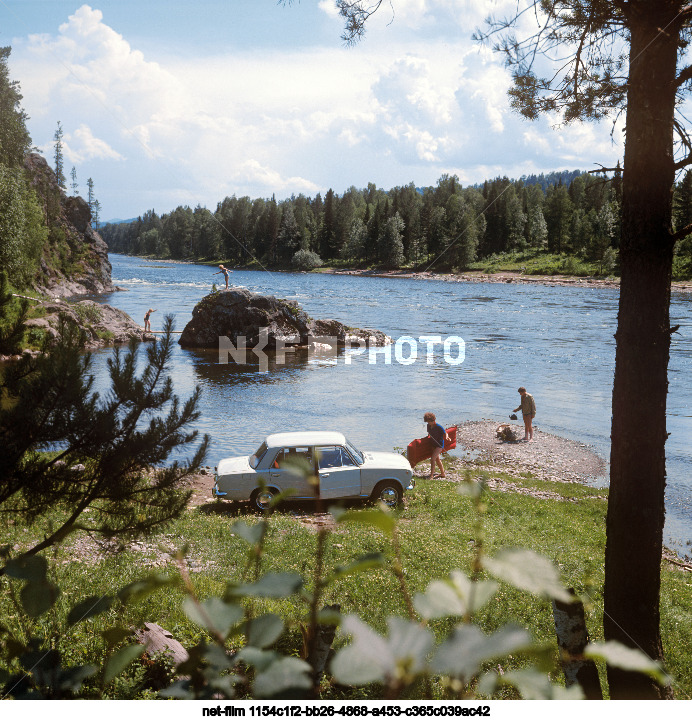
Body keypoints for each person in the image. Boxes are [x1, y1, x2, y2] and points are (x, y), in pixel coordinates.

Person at [424, 411, 449, 479]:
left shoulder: (438, 426)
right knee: (437, 460)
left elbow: (445, 433)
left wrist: (447, 437)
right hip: (433, 444)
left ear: (433, 420)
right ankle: (443, 474)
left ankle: (431, 475)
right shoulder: (428, 426)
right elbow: (429, 434)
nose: (428, 423)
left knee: (432, 459)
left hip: (439, 445)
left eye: (429, 421)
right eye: (427, 422)